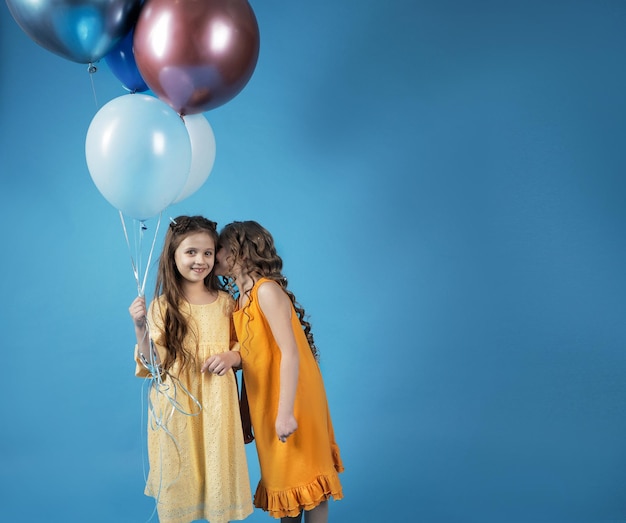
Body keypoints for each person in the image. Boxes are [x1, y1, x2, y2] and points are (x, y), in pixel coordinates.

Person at [215, 221, 344, 523]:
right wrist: (230, 357)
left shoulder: (266, 292)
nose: (214, 255)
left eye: (219, 248)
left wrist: (285, 413)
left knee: (308, 479)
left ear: (240, 253)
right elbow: (253, 351)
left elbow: (290, 352)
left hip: (290, 400)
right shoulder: (241, 301)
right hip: (268, 402)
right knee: (286, 484)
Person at [128, 215, 253, 523]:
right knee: (179, 474)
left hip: (217, 408)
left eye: (208, 253)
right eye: (191, 252)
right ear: (173, 255)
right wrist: (140, 326)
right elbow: (154, 364)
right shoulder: (163, 306)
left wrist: (230, 358)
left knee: (216, 477)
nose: (200, 260)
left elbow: (246, 350)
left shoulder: (226, 303)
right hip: (177, 412)